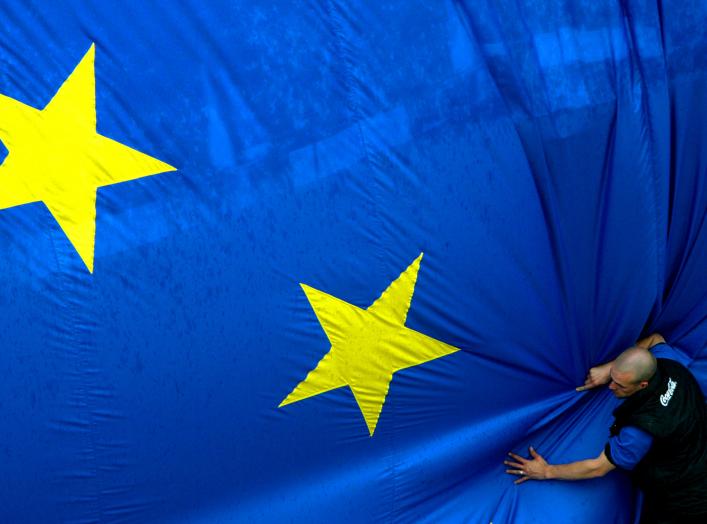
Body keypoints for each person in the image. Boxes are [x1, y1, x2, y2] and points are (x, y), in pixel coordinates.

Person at [504, 333, 707, 523]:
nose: (612, 387)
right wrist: (607, 370)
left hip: (685, 498)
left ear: (643, 384)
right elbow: (655, 339)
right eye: (614, 379)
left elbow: (598, 467)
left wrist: (546, 471)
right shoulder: (670, 364)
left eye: (620, 385)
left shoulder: (640, 430)